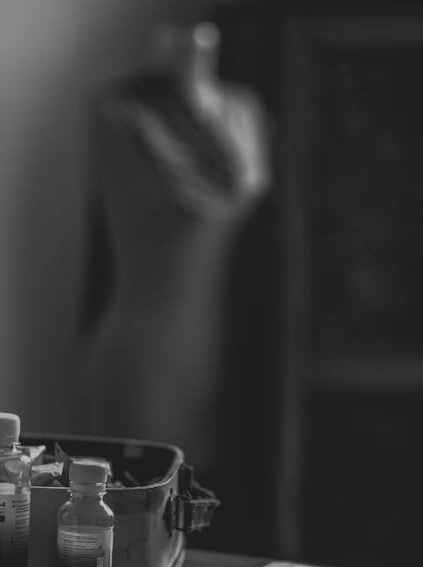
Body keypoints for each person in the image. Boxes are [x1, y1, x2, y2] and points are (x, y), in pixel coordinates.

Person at [83, 22, 271, 470]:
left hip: (233, 356)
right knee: (144, 496)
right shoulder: (120, 113)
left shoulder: (243, 110)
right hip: (146, 361)